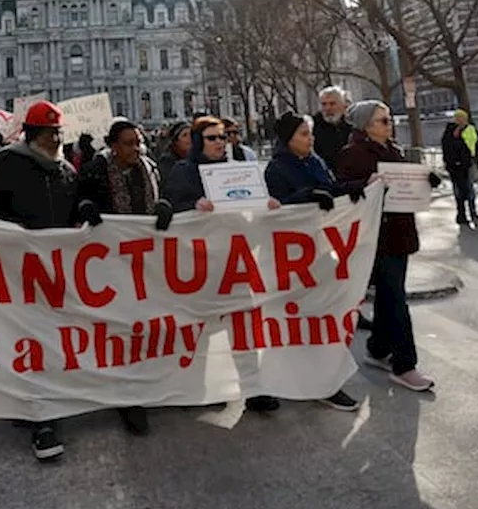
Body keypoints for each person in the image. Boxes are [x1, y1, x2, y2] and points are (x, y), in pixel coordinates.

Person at [0, 100, 88, 461]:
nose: (55, 139)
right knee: (32, 340)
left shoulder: (66, 171)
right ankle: (42, 419)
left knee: (51, 339)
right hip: (18, 266)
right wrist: (14, 230)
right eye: (48, 133)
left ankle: (42, 402)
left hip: (56, 270)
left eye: (58, 133)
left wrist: (85, 211)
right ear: (32, 135)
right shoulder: (7, 164)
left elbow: (72, 210)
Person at [164, 116, 281, 413]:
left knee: (243, 327)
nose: (221, 143)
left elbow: (252, 207)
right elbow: (170, 208)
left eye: (224, 137)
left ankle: (252, 387)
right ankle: (199, 387)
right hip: (200, 263)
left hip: (235, 260)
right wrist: (193, 207)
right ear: (198, 141)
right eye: (213, 138)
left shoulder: (239, 170)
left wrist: (267, 206)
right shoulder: (183, 172)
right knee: (201, 328)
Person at [335, 101, 439, 393]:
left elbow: (407, 184)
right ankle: (405, 365)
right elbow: (344, 189)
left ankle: (378, 349)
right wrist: (364, 183)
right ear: (367, 125)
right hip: (375, 237)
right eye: (383, 120)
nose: (389, 124)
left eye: (389, 119)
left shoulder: (393, 150)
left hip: (399, 234)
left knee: (388, 294)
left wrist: (425, 180)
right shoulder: (352, 153)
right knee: (396, 299)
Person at [263, 111, 364, 412]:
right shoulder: (275, 169)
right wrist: (306, 196)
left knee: (323, 321)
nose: (311, 139)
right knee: (298, 323)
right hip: (295, 261)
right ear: (288, 139)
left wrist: (355, 187)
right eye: (304, 134)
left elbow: (331, 190)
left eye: (311, 133)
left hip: (323, 253)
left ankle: (325, 381)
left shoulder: (316, 161)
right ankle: (289, 379)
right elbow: (277, 213)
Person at [76, 119, 167, 435]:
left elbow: (161, 199)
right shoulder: (94, 171)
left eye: (138, 142)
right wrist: (84, 206)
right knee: (121, 327)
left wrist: (166, 207)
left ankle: (147, 384)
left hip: (146, 260)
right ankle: (129, 397)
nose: (136, 148)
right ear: (113, 146)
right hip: (110, 262)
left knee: (145, 323)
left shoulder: (149, 168)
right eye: (129, 143)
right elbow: (76, 202)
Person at [442, 109, 478, 227]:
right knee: (458, 191)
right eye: (458, 118)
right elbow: (447, 148)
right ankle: (461, 214)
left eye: (463, 118)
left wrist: (476, 160)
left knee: (470, 189)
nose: (460, 121)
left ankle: (473, 212)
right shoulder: (450, 131)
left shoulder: (471, 129)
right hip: (454, 166)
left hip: (469, 164)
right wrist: (449, 163)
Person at [313, 86, 354, 170]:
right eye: (324, 104)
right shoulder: (312, 128)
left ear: (343, 105)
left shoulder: (352, 126)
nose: (328, 108)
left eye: (332, 104)